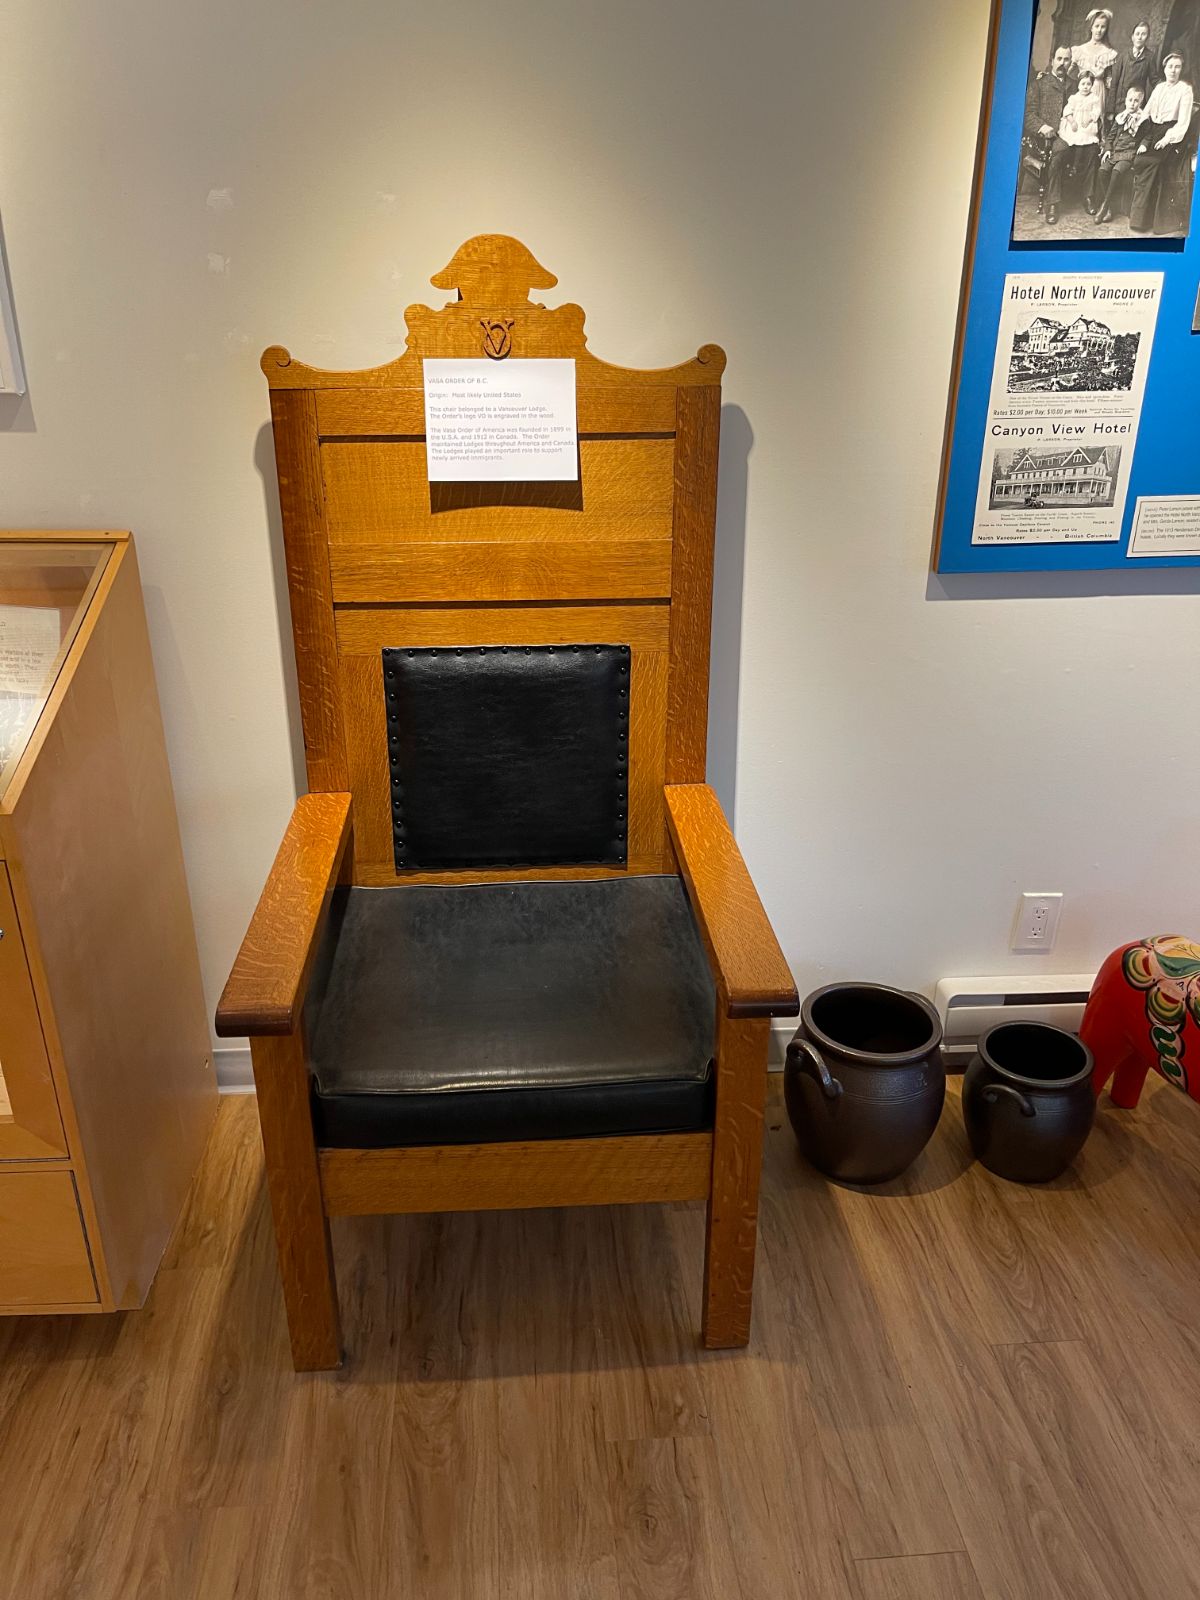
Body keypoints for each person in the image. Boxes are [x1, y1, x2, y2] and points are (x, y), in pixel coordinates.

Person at [1129, 52, 1196, 233]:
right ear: (1164, 69)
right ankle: (1139, 217)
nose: (1173, 71)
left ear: (1181, 70)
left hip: (1173, 134)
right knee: (1141, 159)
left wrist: (1167, 139)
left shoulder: (1185, 90)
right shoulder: (1159, 88)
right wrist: (1137, 125)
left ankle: (1153, 220)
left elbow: (1183, 123)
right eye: (1170, 67)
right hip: (1153, 131)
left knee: (1156, 162)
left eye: (1177, 67)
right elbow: (1147, 112)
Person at [1024, 44, 1074, 222]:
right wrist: (1042, 127)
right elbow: (1028, 114)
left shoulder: (1076, 86)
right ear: (1052, 61)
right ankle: (1052, 203)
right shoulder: (1039, 84)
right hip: (1046, 137)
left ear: (1071, 62)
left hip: (1073, 134)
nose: (1062, 63)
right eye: (1059, 59)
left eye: (1066, 59)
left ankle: (1088, 198)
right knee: (1060, 149)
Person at [1095, 83, 1146, 221]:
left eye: (1136, 101)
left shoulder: (1143, 119)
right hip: (1115, 152)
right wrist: (1107, 149)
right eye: (1130, 100)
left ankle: (1104, 206)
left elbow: (1148, 136)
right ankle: (1110, 206)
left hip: (1128, 154)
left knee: (1117, 171)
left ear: (1141, 102)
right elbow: (1111, 136)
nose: (1132, 103)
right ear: (1125, 100)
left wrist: (1143, 145)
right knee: (1102, 171)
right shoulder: (1120, 117)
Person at [1059, 70, 1103, 209]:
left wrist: (1089, 119)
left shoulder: (1094, 98)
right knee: (1076, 143)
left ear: (1092, 86)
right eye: (1083, 83)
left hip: (1087, 128)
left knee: (1089, 145)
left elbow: (1097, 112)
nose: (1085, 87)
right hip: (1075, 127)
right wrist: (1072, 121)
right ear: (1078, 84)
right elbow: (1067, 111)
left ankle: (1088, 195)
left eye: (1088, 84)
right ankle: (1075, 166)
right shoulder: (1073, 98)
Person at [1071, 8, 1118, 117]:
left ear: (1106, 29)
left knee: (1094, 121)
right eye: (1096, 26)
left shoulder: (1109, 53)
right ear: (1091, 27)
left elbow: (1109, 80)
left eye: (1103, 27)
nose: (1099, 30)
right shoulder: (1079, 50)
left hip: (1099, 91)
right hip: (1081, 89)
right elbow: (1069, 73)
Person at [1109, 20, 1156, 126]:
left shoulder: (1150, 57)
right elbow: (1114, 82)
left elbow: (1154, 79)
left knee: (1132, 135)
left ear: (1147, 37)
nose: (1140, 37)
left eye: (1143, 34)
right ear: (1132, 37)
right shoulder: (1123, 55)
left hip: (1137, 104)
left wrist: (1164, 86)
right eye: (1137, 34)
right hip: (1121, 103)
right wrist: (1111, 109)